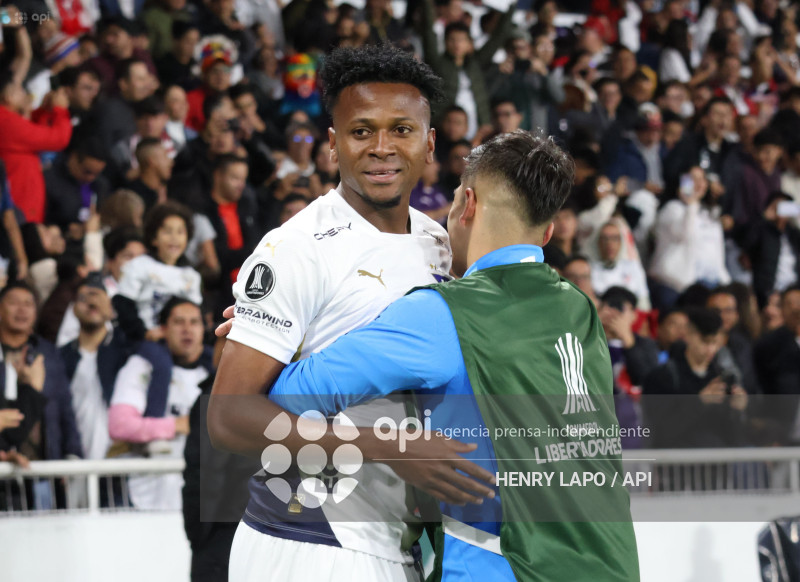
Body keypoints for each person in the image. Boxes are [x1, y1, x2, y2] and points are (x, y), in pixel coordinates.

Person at [264, 130, 640, 580]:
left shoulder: (441, 314)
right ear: (548, 231)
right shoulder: (580, 308)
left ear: (467, 204)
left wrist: (252, 334)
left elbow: (288, 396)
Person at [208, 44, 476, 582]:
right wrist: (389, 447)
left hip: (392, 543)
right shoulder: (295, 247)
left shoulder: (438, 243)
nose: (381, 147)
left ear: (429, 144)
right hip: (309, 540)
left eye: (401, 129)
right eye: (361, 131)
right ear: (333, 145)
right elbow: (229, 417)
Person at [108, 297, 211, 509]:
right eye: (178, 322)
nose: (187, 329)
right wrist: (178, 425)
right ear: (162, 329)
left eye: (194, 322)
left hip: (202, 495)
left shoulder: (216, 373)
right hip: (143, 492)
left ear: (204, 329)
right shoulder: (141, 365)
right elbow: (119, 425)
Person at [112, 201, 202, 342]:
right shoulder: (138, 266)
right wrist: (144, 333)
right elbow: (123, 305)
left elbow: (193, 313)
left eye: (180, 232)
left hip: (176, 344)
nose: (174, 237)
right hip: (139, 340)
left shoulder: (192, 276)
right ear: (154, 238)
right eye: (167, 231)